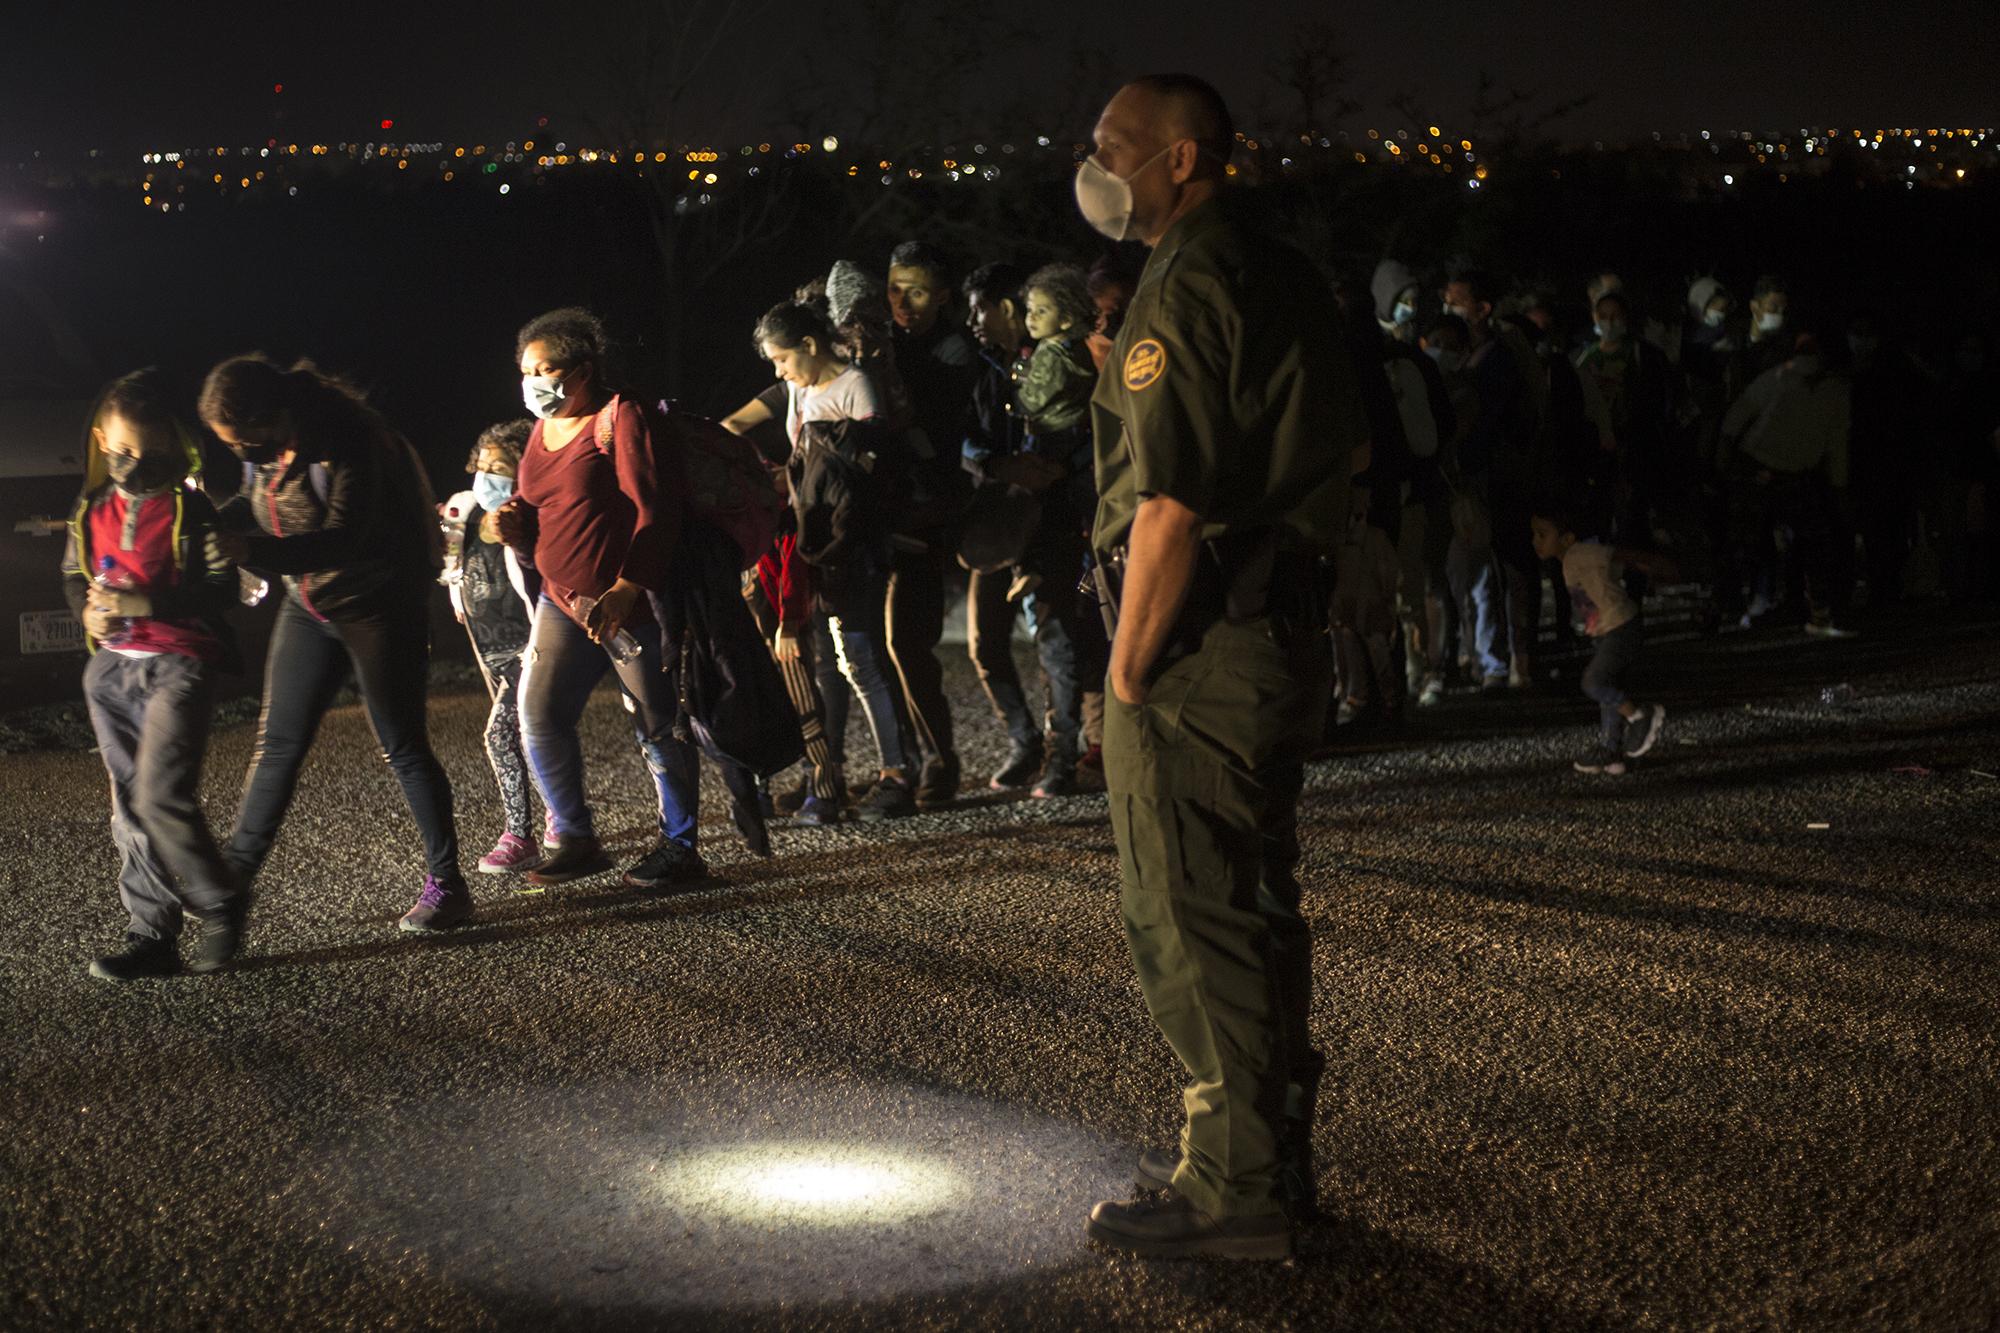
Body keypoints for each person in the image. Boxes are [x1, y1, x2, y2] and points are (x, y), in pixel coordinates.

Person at [1077, 73, 1365, 1260]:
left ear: (1181, 160)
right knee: (1253, 905)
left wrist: (1128, 674)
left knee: (1192, 919)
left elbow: (1169, 505)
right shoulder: (1275, 264)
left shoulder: (1188, 281)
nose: (1092, 167)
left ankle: (1234, 1190)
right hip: (1272, 631)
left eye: (1111, 147)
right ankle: (1260, 1156)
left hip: (1199, 649)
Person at [201, 354, 467, 933]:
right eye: (233, 447)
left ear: (274, 417)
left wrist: (250, 552)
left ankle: (448, 883)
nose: (244, 455)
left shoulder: (349, 441)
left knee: (402, 745)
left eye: (245, 442)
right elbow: (253, 501)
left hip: (378, 607)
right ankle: (230, 890)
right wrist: (207, 519)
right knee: (276, 746)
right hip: (308, 605)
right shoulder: (270, 450)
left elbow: (343, 539)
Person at [495, 307, 708, 890]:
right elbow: (541, 502)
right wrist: (515, 521)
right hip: (560, 601)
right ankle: (575, 837)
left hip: (624, 604)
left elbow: (654, 510)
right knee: (537, 715)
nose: (532, 381)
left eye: (544, 368)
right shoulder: (543, 427)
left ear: (583, 368)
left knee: (657, 724)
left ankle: (681, 846)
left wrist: (627, 585)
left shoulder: (621, 417)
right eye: (524, 370)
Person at [64, 370, 248, 979]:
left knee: (160, 796)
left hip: (180, 663)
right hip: (113, 669)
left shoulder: (188, 508)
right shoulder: (90, 509)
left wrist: (144, 605)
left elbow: (221, 585)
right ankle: (153, 935)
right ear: (100, 439)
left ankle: (220, 900)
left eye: (148, 452)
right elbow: (73, 574)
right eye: (121, 450)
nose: (133, 463)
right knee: (128, 811)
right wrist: (85, 609)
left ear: (171, 447)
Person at [754, 299, 921, 820]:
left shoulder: (855, 385)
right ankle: (829, 777)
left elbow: (871, 468)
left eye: (782, 360)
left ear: (809, 345)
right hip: (814, 542)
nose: (780, 373)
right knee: (829, 662)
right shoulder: (800, 393)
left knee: (863, 659)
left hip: (855, 544)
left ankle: (897, 773)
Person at [960, 261, 1095, 797]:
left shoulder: (1062, 357)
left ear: (1008, 309)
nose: (974, 321)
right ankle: (1025, 742)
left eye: (980, 310)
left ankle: (1063, 755)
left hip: (1054, 515)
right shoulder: (981, 366)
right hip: (999, 517)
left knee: (1057, 639)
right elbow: (964, 437)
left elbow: (1087, 426)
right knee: (984, 639)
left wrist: (1064, 468)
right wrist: (992, 465)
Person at [883, 241, 979, 808]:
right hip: (879, 507)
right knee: (868, 648)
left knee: (908, 643)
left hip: (924, 509)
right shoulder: (884, 342)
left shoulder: (952, 351)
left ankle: (939, 761)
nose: (903, 301)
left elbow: (928, 422)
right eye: (895, 288)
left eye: (917, 291)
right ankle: (898, 765)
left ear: (942, 296)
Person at [447, 420, 546, 875]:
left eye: (500, 467)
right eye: (482, 465)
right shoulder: (463, 516)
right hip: (492, 654)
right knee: (531, 739)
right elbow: (451, 568)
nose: (486, 475)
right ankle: (560, 821)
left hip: (531, 649)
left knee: (501, 735)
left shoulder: (532, 519)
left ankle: (522, 835)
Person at [1716, 333, 1854, 636]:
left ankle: (1814, 611)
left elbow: (1835, 444)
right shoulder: (1779, 379)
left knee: (1811, 541)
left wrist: (1838, 486)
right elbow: (1735, 421)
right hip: (1760, 468)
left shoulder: (1833, 390)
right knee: (1747, 542)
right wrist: (1725, 464)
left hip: (1795, 474)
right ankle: (1727, 609)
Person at [1531, 501, 1668, 775]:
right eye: (1534, 534)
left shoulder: (1579, 553)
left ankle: (1640, 717)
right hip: (1611, 629)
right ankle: (1611, 750)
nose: (1536, 541)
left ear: (1567, 538)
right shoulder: (1571, 561)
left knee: (1594, 682)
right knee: (1608, 692)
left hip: (1621, 626)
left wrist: (1654, 563)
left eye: (1543, 534)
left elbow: (1614, 554)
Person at [1008, 262, 1099, 604]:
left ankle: (1035, 569)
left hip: (1054, 438)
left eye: (1042, 311)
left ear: (1066, 318)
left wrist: (1017, 388)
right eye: (1030, 309)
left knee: (1044, 505)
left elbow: (1031, 400)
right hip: (1075, 437)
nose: (1031, 317)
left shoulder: (1052, 355)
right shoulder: (1077, 350)